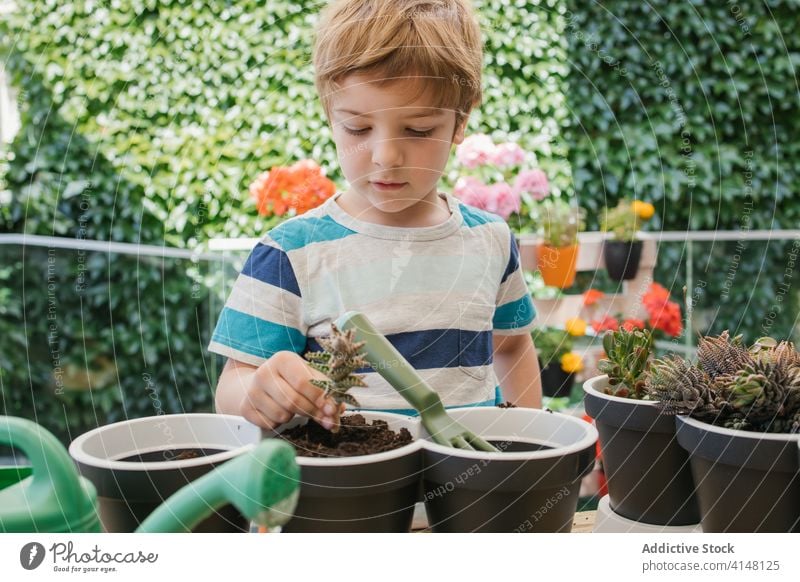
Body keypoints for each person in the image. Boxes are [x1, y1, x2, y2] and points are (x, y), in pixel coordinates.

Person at [210, 0, 541, 431]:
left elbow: (512, 347)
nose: (386, 156)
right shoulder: (290, 254)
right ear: (330, 114)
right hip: (348, 491)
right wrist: (258, 392)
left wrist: (532, 444)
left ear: (461, 121)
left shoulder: (491, 240)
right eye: (358, 128)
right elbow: (235, 382)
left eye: (419, 129)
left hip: (469, 492)